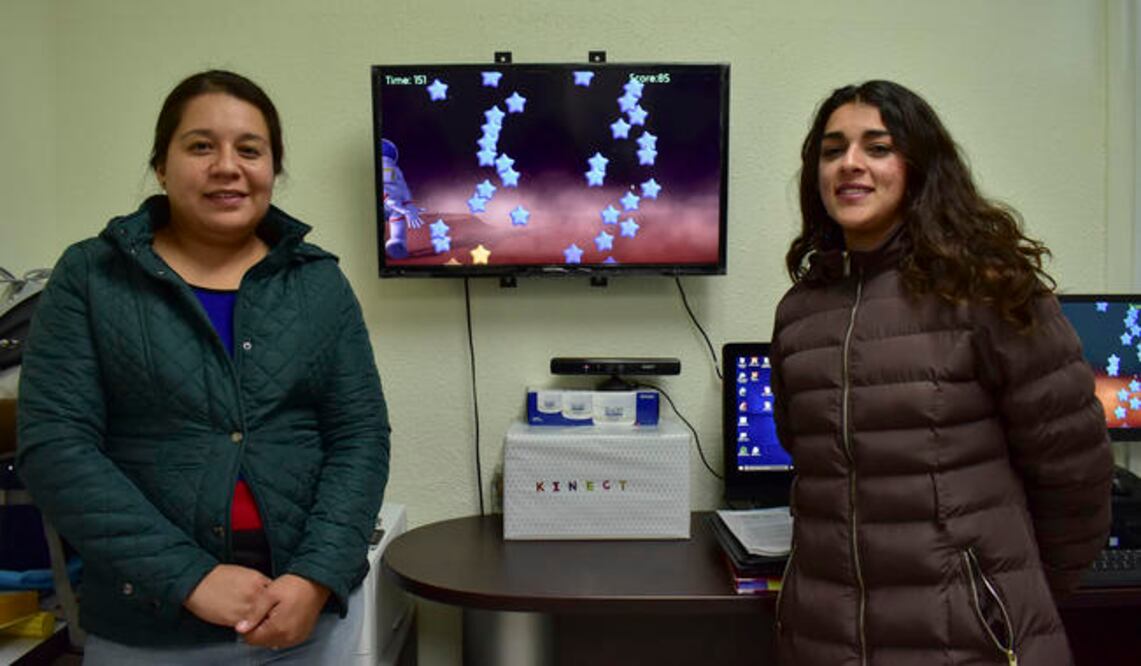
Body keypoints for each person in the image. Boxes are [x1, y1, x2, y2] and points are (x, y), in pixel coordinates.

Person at [16, 70, 391, 663]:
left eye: (249, 149)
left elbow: (359, 436)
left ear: (273, 168)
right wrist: (190, 577)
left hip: (304, 622)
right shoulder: (91, 277)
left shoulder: (318, 283)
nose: (227, 166)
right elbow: (54, 447)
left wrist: (316, 576)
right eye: (200, 146)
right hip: (149, 627)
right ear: (162, 166)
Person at [769, 80, 1113, 665]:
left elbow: (1076, 475)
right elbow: (811, 468)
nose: (850, 164)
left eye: (877, 147)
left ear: (919, 165)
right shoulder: (800, 312)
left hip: (971, 643)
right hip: (828, 641)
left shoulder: (989, 290)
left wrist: (1004, 597)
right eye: (833, 150)